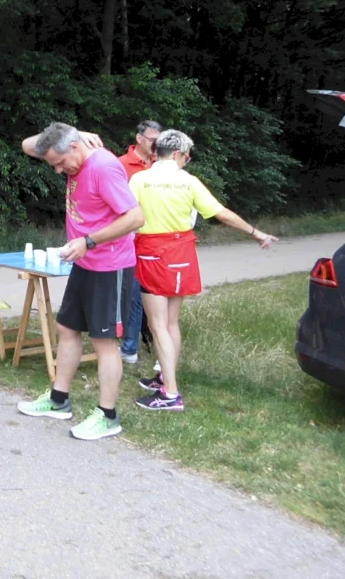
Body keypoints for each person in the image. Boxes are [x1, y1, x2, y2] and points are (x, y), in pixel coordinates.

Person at [129, 130, 277, 411]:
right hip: (182, 252)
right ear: (176, 155)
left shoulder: (140, 179)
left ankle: (170, 394)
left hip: (151, 253)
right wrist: (255, 232)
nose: (187, 160)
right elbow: (221, 213)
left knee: (157, 324)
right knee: (171, 323)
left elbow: (125, 214)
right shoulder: (189, 182)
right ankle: (164, 378)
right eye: (186, 156)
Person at [16, 123, 145, 441]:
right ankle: (59, 401)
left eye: (60, 163)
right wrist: (78, 131)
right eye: (53, 165)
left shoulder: (103, 167)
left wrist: (89, 241)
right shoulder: (71, 149)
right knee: (67, 328)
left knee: (104, 342)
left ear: (74, 149)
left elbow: (135, 218)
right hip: (85, 264)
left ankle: (108, 416)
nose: (59, 172)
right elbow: (26, 144)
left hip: (109, 266)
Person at [116, 120, 162, 365]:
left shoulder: (161, 166)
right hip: (131, 241)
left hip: (157, 242)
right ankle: (129, 347)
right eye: (154, 140)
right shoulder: (122, 165)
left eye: (160, 140)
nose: (157, 145)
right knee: (133, 296)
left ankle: (154, 343)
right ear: (140, 139)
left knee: (156, 295)